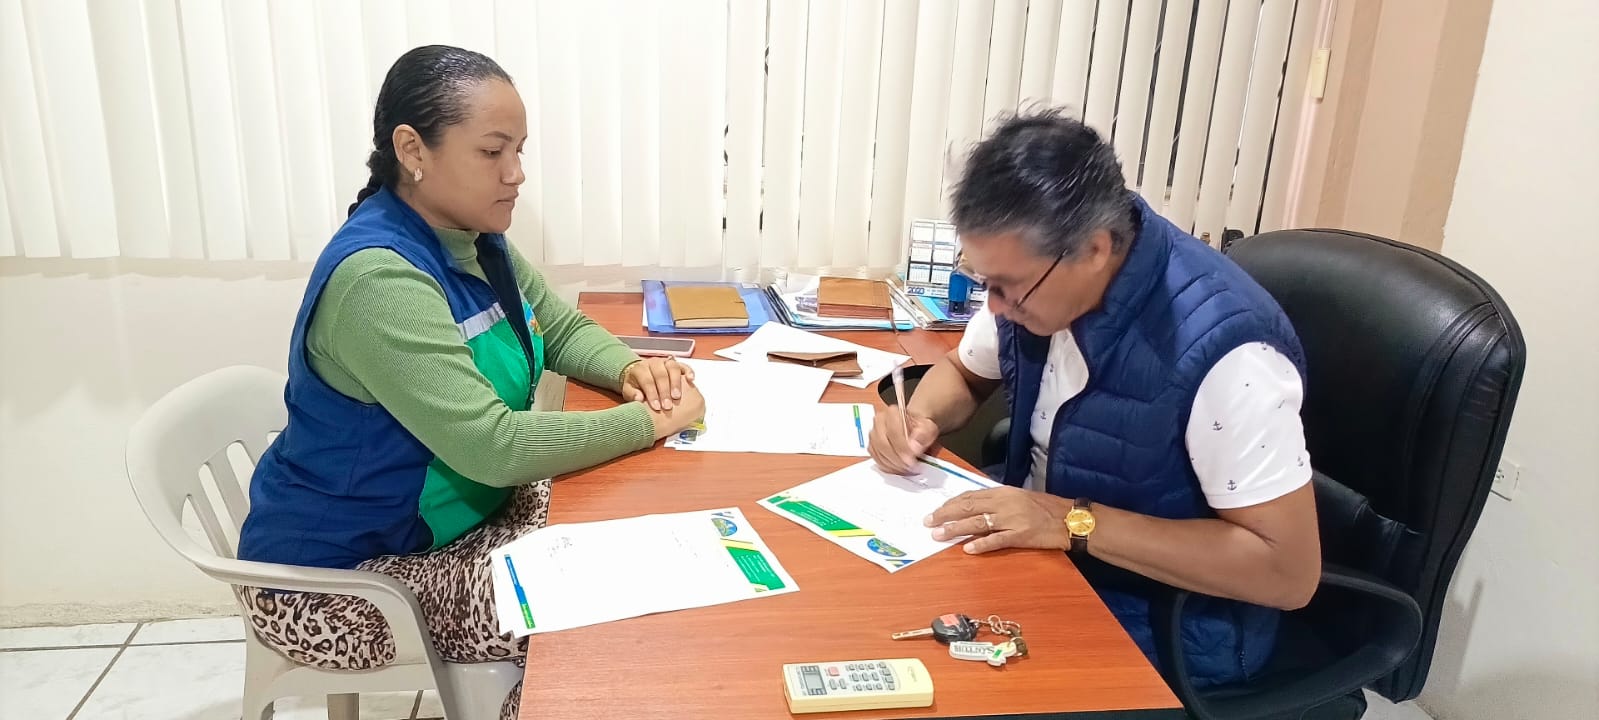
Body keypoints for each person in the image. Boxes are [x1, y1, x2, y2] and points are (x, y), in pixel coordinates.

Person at [234, 45, 704, 719]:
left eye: (519, 150)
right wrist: (654, 419)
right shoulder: (380, 279)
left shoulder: (473, 236)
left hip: (457, 523)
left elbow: (560, 330)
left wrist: (633, 369)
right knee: (596, 621)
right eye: (491, 152)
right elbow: (494, 448)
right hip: (338, 581)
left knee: (640, 534)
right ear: (412, 150)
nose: (516, 173)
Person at [868, 110, 1320, 688]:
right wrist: (919, 418)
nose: (996, 307)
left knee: (927, 686)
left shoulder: (1227, 353)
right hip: (1050, 564)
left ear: (1095, 249)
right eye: (986, 282)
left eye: (1008, 287)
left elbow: (1287, 572)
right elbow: (963, 371)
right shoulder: (1038, 282)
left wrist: (1069, 521)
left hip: (1168, 624)